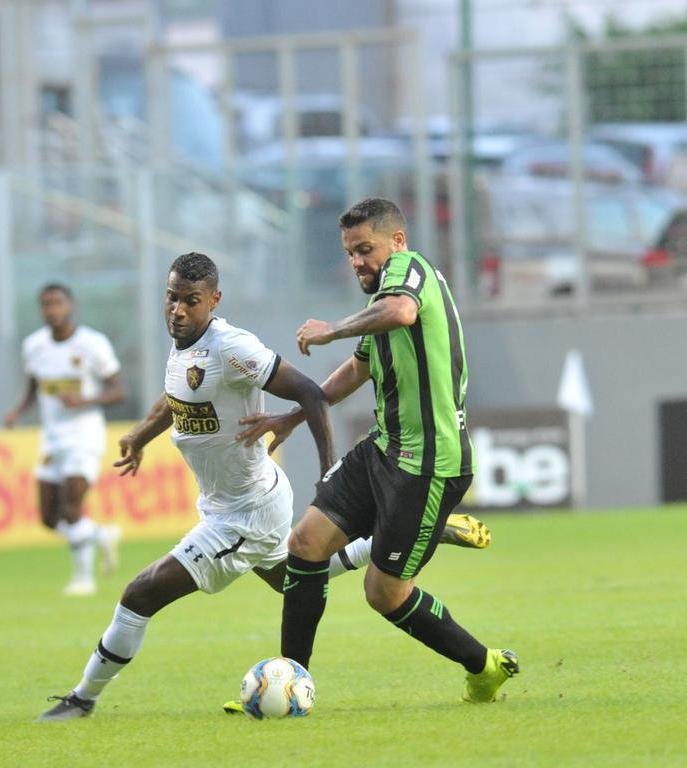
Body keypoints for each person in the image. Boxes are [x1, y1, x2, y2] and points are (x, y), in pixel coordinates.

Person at [37, 252, 491, 721]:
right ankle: (403, 535)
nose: (177, 309)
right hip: (227, 502)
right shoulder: (185, 345)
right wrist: (140, 436)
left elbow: (310, 393)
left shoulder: (233, 347)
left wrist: (327, 467)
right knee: (291, 578)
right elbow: (177, 396)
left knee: (141, 593)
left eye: (190, 301)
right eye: (171, 298)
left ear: (213, 301)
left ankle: (82, 697)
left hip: (245, 512)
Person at [237, 197, 518, 704]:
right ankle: (290, 680)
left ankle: (484, 665)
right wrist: (297, 414)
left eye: (366, 249)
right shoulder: (378, 305)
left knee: (382, 593)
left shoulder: (409, 273)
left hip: (428, 464)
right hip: (384, 448)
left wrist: (330, 330)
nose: (358, 262)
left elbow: (402, 310)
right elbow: (358, 369)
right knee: (304, 545)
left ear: (397, 241)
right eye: (350, 253)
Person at [5, 283, 126, 597]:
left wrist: (85, 401)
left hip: (84, 435)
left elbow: (118, 391)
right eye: (46, 304)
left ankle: (84, 579)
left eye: (58, 303)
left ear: (70, 306)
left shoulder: (92, 344)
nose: (52, 310)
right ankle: (100, 535)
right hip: (52, 438)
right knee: (48, 517)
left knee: (72, 506)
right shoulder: (34, 346)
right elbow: (34, 387)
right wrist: (18, 411)